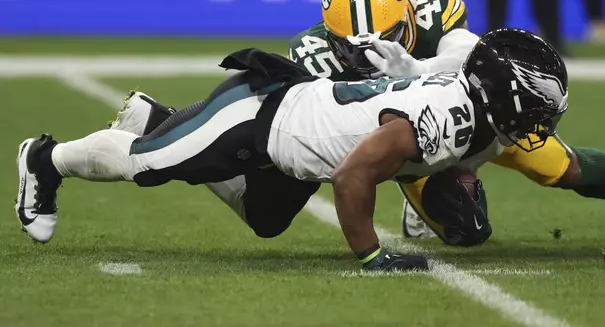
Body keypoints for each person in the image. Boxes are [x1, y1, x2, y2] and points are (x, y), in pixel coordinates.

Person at [111, 0, 605, 243]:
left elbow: (469, 54)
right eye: (356, 44)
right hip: (406, 143)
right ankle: (167, 125)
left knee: (559, 164)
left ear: (409, 10)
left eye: (388, 32)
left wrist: (420, 69)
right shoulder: (314, 53)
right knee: (468, 231)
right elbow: (335, 132)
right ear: (332, 36)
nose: (374, 47)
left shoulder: (435, 9)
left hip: (481, 117)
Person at [16, 28, 568, 271]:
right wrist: (372, 255)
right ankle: (46, 159)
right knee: (144, 163)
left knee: (265, 217)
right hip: (263, 117)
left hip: (303, 148)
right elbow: (355, 174)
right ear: (507, 94)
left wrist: (453, 196)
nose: (541, 122)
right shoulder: (453, 115)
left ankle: (162, 121)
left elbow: (415, 164)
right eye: (539, 107)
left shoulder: (478, 122)